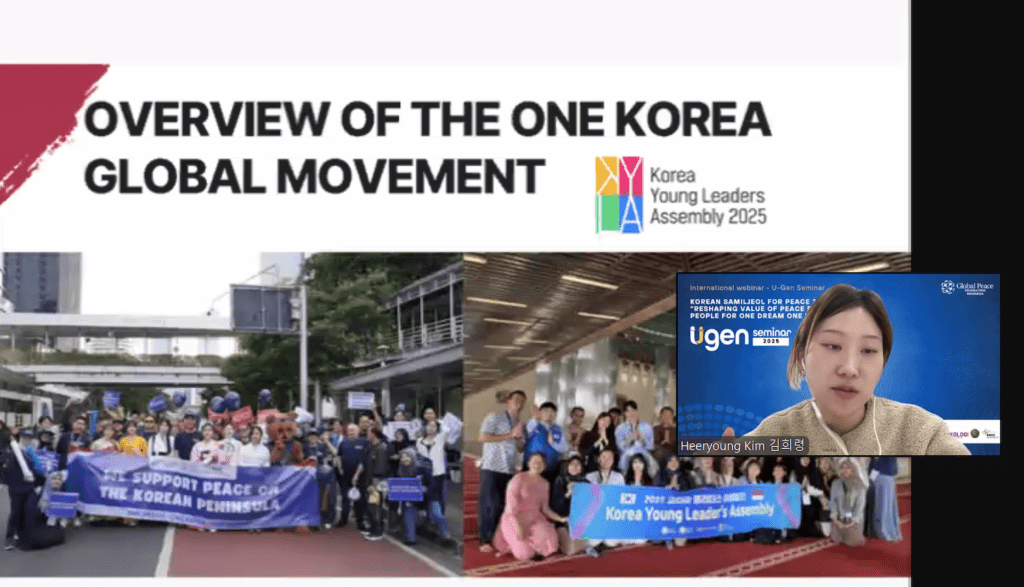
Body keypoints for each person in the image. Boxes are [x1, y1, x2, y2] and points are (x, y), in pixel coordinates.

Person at [736, 284, 970, 455]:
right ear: (801, 355)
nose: (849, 369)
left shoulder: (923, 433)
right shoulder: (771, 436)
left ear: (883, 362)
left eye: (868, 350)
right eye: (833, 345)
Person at [477, 389, 526, 553]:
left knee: (504, 505)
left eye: (522, 400)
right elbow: (482, 437)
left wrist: (519, 439)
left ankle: (498, 537)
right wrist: (510, 435)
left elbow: (520, 448)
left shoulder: (520, 423)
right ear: (508, 401)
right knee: (490, 504)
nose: (519, 402)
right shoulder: (494, 417)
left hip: (509, 469)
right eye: (516, 398)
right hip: (491, 466)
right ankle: (484, 538)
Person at [494, 453, 566, 561]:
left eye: (541, 462)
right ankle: (514, 545)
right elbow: (510, 510)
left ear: (544, 466)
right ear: (528, 463)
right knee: (525, 553)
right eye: (535, 461)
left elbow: (545, 509)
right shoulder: (518, 479)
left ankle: (536, 546)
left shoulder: (545, 483)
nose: (537, 464)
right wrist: (517, 527)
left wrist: (561, 518)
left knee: (551, 540)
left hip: (535, 519)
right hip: (514, 518)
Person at [4, 429, 46, 550]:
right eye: (24, 438)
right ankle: (9, 537)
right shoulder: (13, 451)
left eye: (29, 438)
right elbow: (10, 470)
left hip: (30, 487)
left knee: (28, 510)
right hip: (17, 487)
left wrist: (40, 479)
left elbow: (36, 468)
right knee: (16, 512)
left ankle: (21, 533)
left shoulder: (30, 452)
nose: (27, 441)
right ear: (20, 438)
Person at [583, 448, 625, 556]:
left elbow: (622, 499)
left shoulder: (619, 477)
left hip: (612, 516)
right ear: (598, 459)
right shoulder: (590, 477)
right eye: (603, 457)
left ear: (613, 460)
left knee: (612, 541)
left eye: (609, 457)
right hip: (595, 517)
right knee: (592, 541)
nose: (606, 460)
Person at [550, 455, 588, 555]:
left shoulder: (586, 482)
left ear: (581, 468)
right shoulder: (559, 480)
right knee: (570, 550)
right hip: (563, 521)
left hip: (579, 522)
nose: (575, 466)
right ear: (567, 467)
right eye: (572, 464)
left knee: (595, 540)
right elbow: (556, 507)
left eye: (578, 464)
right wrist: (567, 494)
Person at [523, 402, 569, 484]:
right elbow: (529, 428)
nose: (549, 414)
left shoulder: (558, 429)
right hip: (532, 469)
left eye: (552, 412)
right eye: (546, 411)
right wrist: (535, 417)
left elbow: (564, 448)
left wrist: (553, 443)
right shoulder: (533, 424)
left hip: (551, 469)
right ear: (540, 412)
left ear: (555, 415)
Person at [338, 423, 369, 530]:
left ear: (358, 431)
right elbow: (338, 456)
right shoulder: (343, 442)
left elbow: (364, 460)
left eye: (353, 430)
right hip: (345, 476)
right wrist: (340, 469)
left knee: (359, 499)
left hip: (359, 476)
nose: (351, 432)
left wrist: (357, 474)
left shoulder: (364, 442)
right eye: (349, 430)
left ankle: (360, 521)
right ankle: (343, 519)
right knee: (345, 497)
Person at [829, 458, 867, 546]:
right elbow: (833, 502)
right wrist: (835, 519)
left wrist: (853, 521)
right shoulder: (836, 483)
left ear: (853, 469)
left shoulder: (860, 485)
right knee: (837, 540)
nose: (845, 470)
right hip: (840, 520)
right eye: (843, 468)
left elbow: (860, 505)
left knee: (853, 542)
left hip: (853, 521)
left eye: (848, 468)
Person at [615, 401, 657, 476]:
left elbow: (650, 447)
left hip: (644, 455)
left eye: (633, 410)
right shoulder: (620, 428)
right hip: (627, 456)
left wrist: (642, 437)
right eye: (628, 411)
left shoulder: (646, 427)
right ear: (624, 413)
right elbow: (620, 447)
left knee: (649, 464)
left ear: (637, 411)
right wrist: (630, 439)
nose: (631, 413)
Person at [363, 427, 389, 540]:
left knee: (375, 506)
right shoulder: (371, 447)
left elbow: (380, 468)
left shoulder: (381, 448)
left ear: (374, 434)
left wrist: (374, 483)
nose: (367, 435)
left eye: (369, 433)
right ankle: (373, 528)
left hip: (376, 482)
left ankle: (378, 531)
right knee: (371, 506)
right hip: (370, 481)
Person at [868, 456, 902, 541]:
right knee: (886, 505)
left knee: (883, 506)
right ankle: (885, 530)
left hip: (882, 474)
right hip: (885, 474)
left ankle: (883, 531)